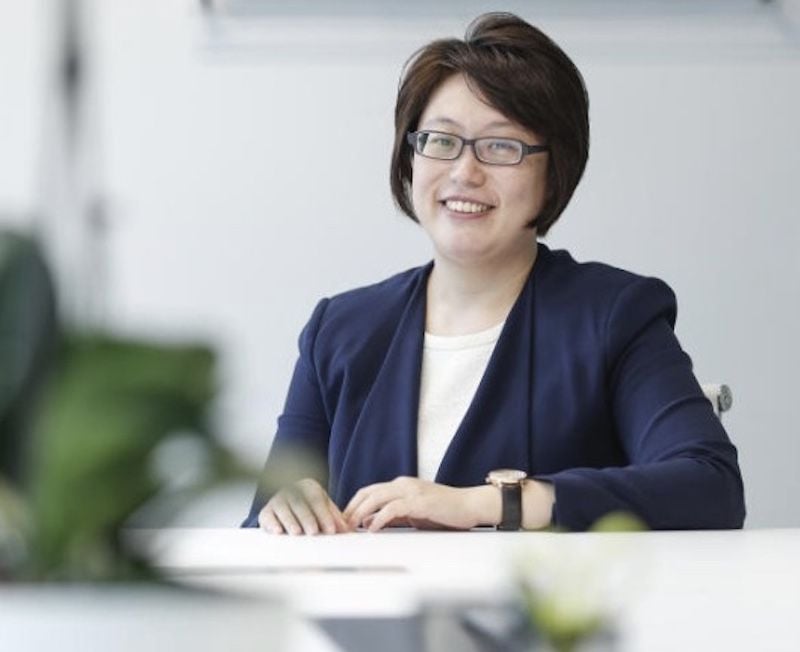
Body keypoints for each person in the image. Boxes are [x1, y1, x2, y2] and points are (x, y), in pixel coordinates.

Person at [242, 12, 745, 534]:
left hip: (545, 614)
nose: (465, 171)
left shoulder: (614, 315)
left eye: (502, 146)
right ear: (410, 157)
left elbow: (711, 486)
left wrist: (488, 504)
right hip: (372, 613)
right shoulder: (340, 329)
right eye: (441, 140)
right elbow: (261, 527)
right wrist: (284, 511)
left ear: (554, 174)